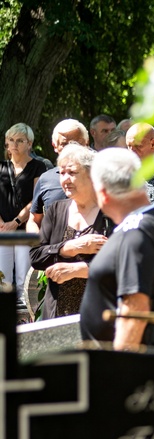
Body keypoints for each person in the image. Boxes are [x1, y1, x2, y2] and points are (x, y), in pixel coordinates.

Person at [79, 148, 154, 349]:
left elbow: (135, 310)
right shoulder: (148, 223)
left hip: (134, 363)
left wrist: (120, 369)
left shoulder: (136, 233)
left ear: (103, 194)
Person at [30, 145, 111, 319]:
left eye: (72, 173)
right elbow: (36, 256)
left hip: (97, 314)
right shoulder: (55, 210)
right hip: (56, 314)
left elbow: (119, 264)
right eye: (62, 173)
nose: (65, 179)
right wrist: (70, 247)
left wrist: (79, 270)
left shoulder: (110, 214)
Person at [2, 123, 47, 303]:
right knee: (2, 279)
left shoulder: (38, 167)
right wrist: (3, 224)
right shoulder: (1, 167)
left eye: (20, 140)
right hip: (2, 231)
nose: (15, 144)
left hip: (24, 230)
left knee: (23, 280)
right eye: (11, 140)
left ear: (29, 143)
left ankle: (26, 323)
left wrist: (16, 221)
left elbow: (36, 200)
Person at [28, 119, 90, 232]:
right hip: (55, 247)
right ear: (55, 146)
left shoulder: (100, 176)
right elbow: (33, 221)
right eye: (64, 144)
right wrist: (41, 245)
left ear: (86, 143)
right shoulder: (46, 180)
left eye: (76, 143)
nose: (71, 148)